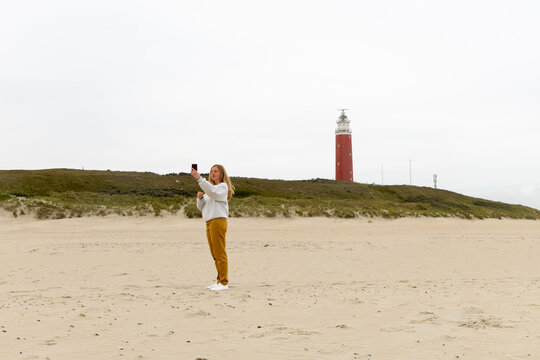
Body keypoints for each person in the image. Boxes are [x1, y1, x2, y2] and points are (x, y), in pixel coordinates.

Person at [191, 164, 235, 291]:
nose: (213, 173)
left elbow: (213, 192)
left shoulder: (222, 187)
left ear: (221, 174)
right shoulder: (210, 189)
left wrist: (199, 178)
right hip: (209, 222)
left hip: (218, 221)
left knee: (220, 252)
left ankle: (224, 282)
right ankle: (219, 280)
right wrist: (200, 199)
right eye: (211, 171)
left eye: (216, 171)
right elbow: (201, 207)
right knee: (214, 253)